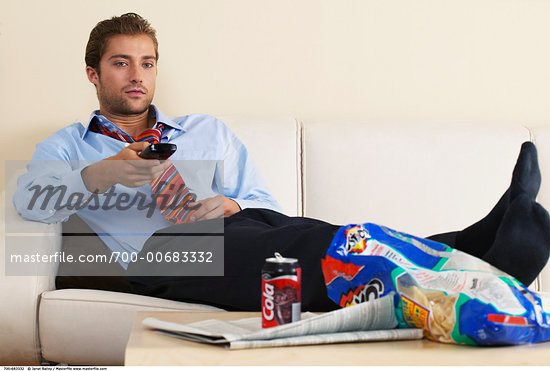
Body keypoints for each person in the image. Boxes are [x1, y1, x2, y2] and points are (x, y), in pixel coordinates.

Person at [13, 13, 550, 312]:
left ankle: (473, 247)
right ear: (93, 74)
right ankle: (472, 257)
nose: (137, 75)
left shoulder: (206, 131)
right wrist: (102, 172)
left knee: (316, 235)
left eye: (147, 63)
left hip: (233, 230)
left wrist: (228, 202)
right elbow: (29, 201)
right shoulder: (69, 146)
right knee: (295, 251)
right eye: (121, 62)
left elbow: (265, 205)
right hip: (159, 258)